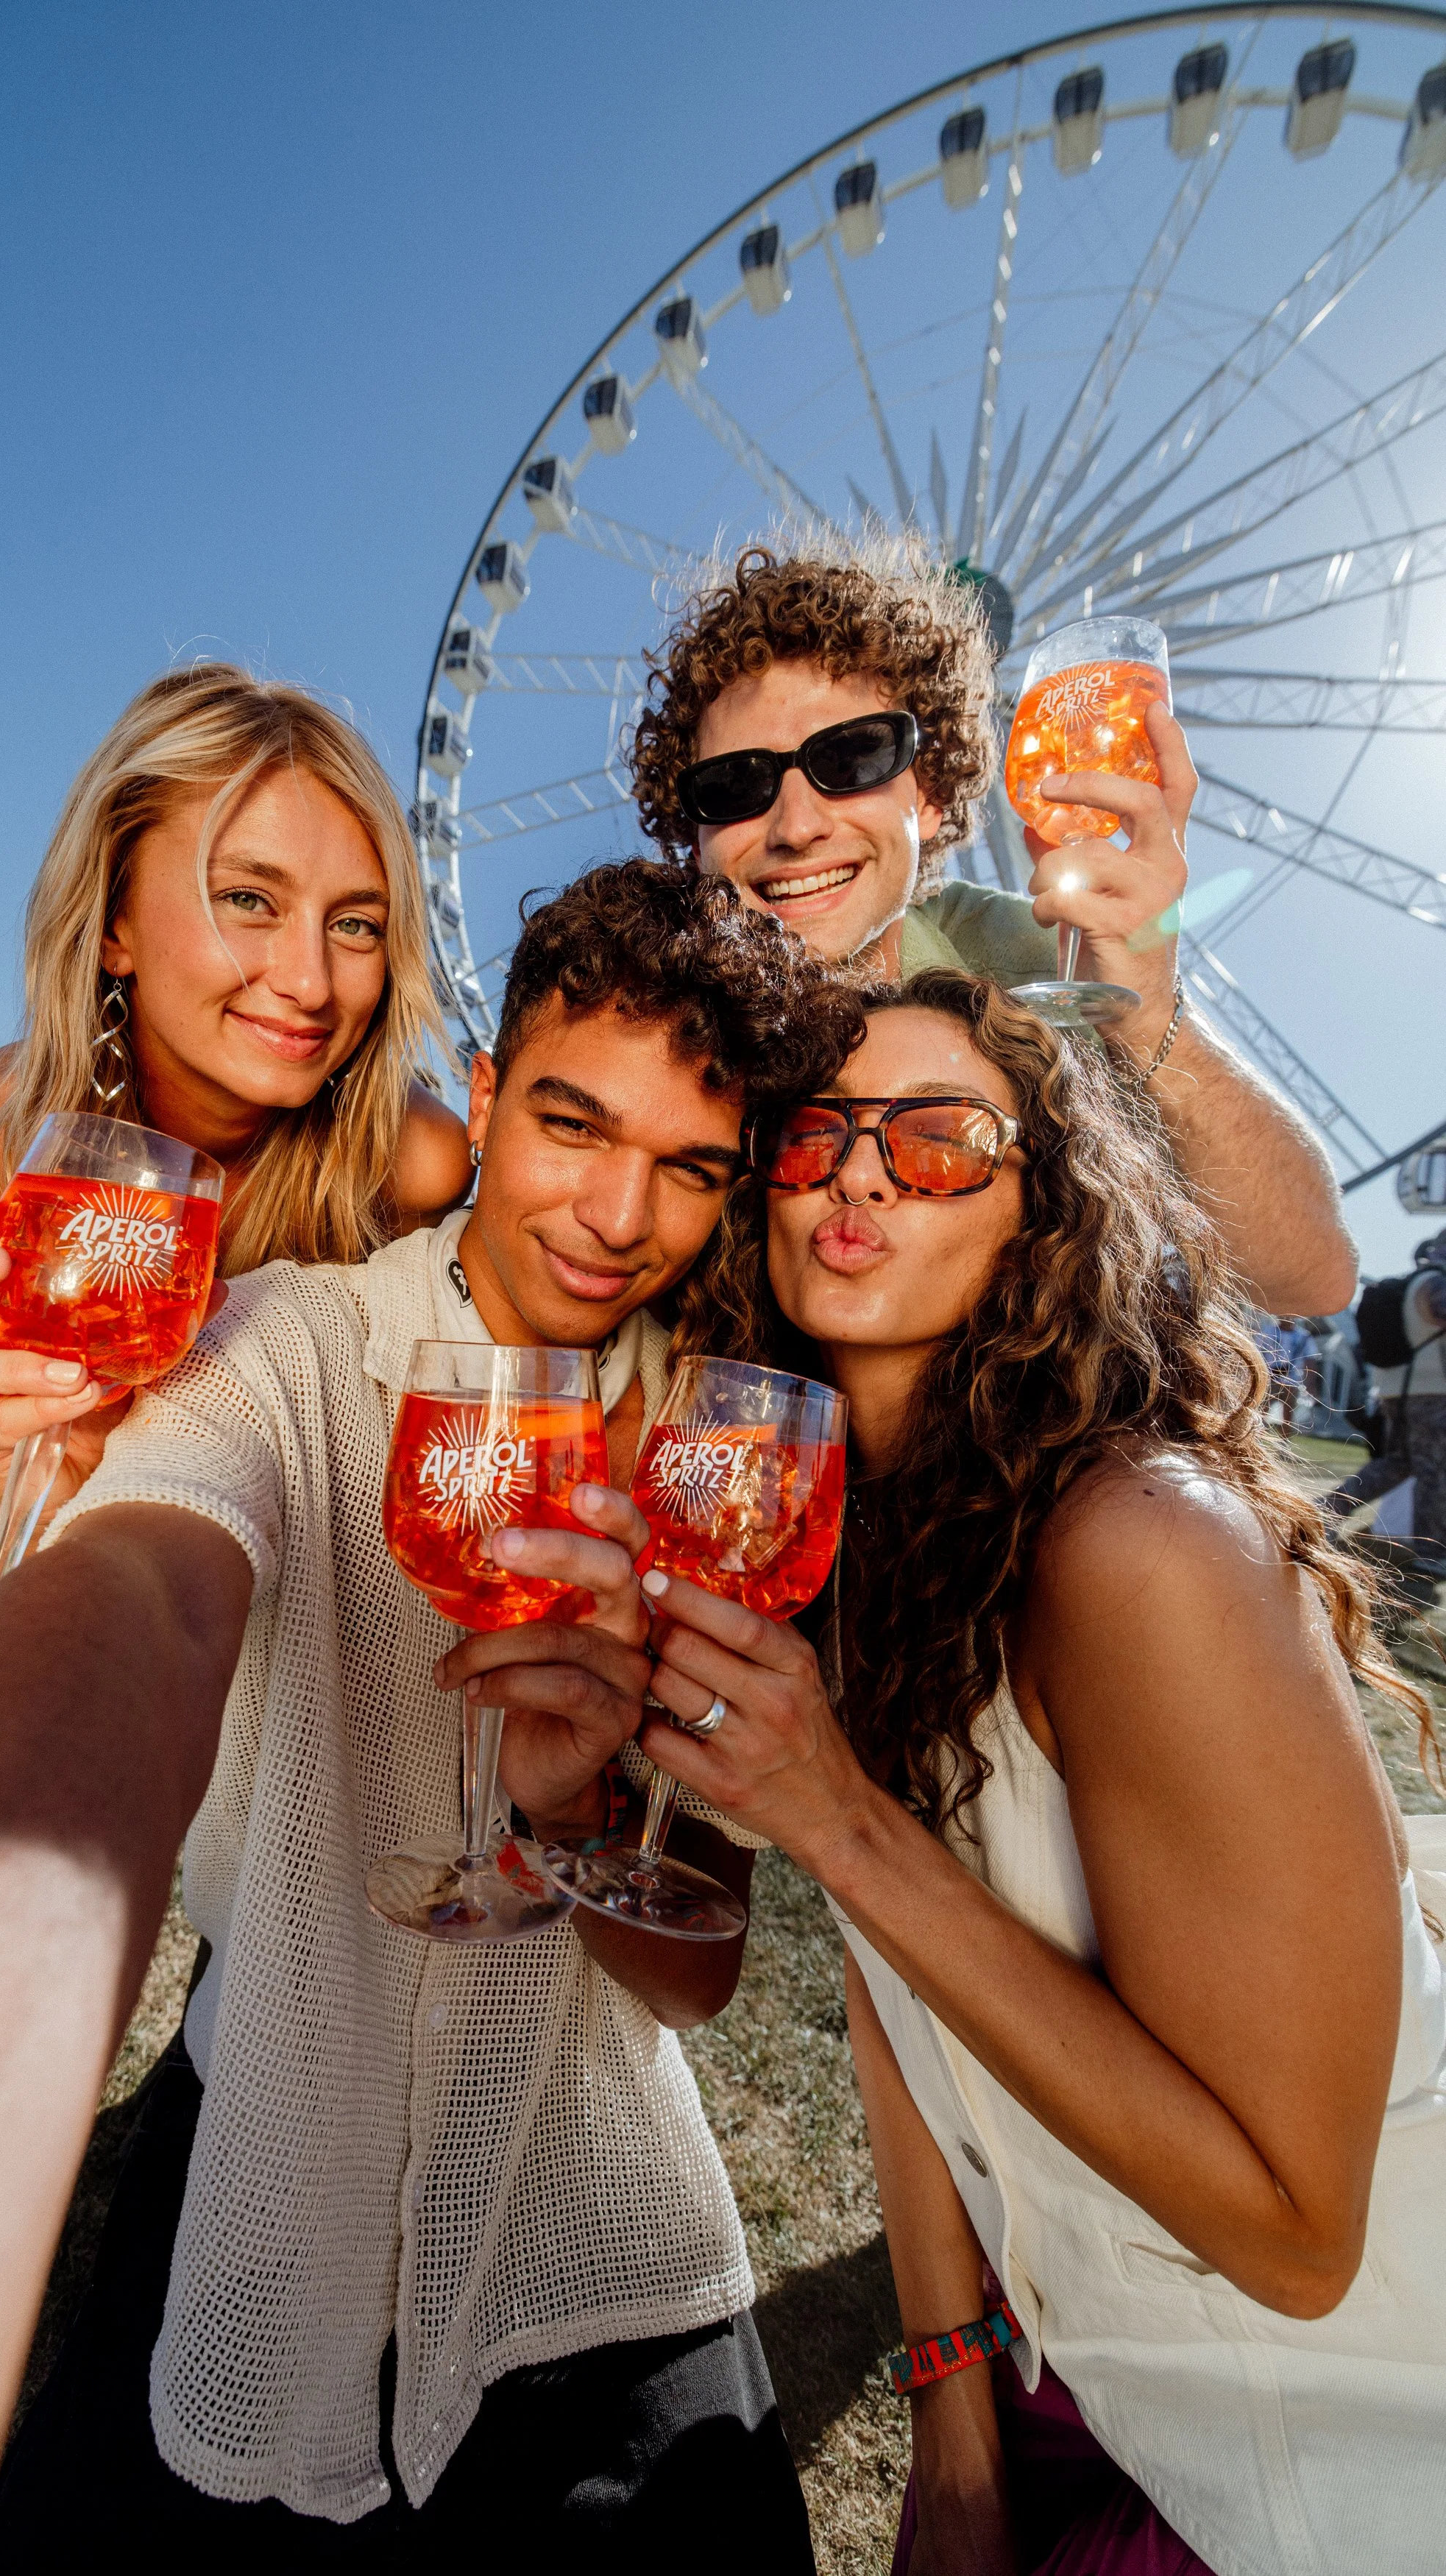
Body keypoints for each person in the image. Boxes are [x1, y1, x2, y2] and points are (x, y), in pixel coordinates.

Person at [0, 861, 861, 2566]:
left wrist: (577, 1813)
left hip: (588, 2237)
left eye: (689, 1170)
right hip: (263, 2162)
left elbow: (693, 1972)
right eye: (568, 1125)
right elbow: (160, 1564)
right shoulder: (296, 1346)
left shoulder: (716, 1456)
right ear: (483, 1072)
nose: (618, 1215)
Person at [629, 971, 1446, 2575]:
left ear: (1043, 1218)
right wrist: (953, 2399)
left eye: (940, 1142)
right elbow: (900, 1994)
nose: (860, 1174)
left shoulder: (1143, 1545)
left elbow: (1295, 2238)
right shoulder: (869, 1549)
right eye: (815, 1140)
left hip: (1328, 2446)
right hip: (1080, 2369)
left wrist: (842, 1822)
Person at [0, 662, 469, 1956]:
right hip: (60, 1508)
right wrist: (14, 1452)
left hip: (316, 1542)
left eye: (354, 924)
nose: (305, 977)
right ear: (116, 919)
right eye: (248, 899)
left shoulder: (405, 1162)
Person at [629, 534, 1358, 1319]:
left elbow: (1309, 1277)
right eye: (736, 783)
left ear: (931, 796)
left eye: (854, 759)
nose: (796, 825)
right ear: (692, 836)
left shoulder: (1020, 959)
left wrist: (1148, 1015)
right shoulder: (639, 1016)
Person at [1327, 1231, 1446, 1563]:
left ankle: (1328, 1509)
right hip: (1432, 1393)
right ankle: (1432, 1551)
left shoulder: (1413, 1282)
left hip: (1399, 1389)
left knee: (1397, 1464)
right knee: (1435, 1473)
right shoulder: (1435, 1284)